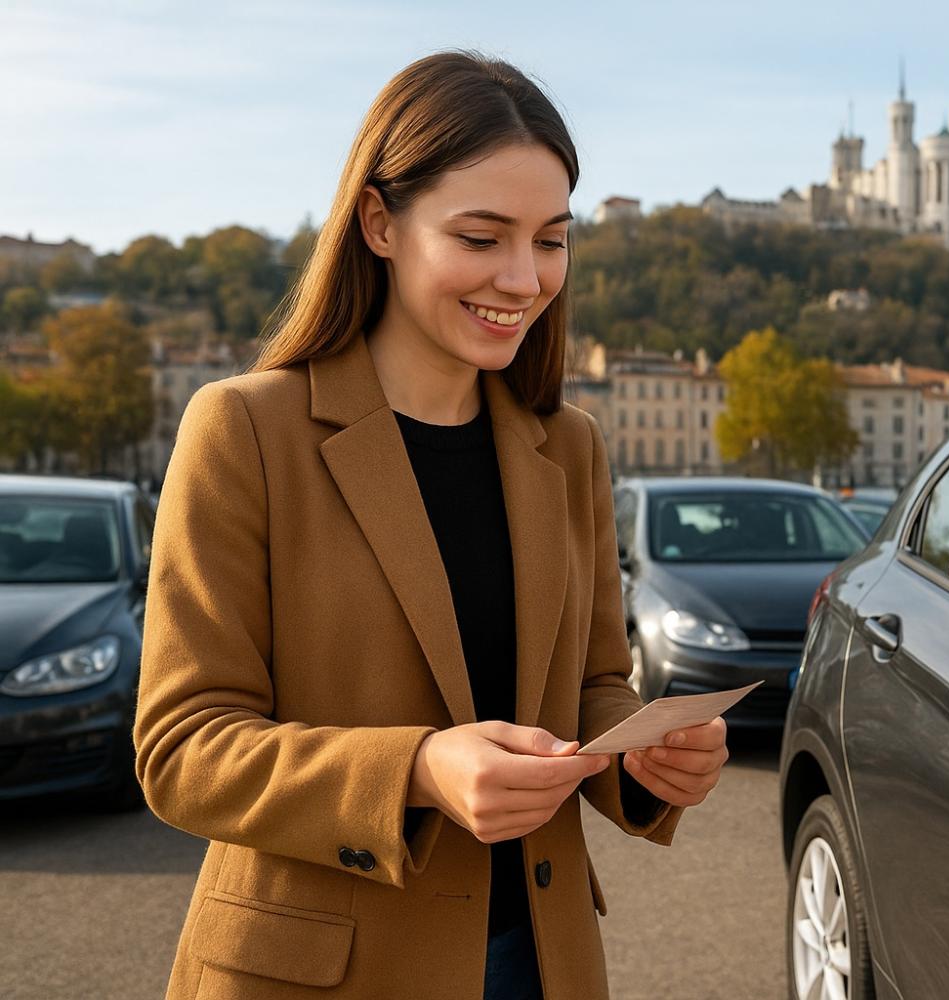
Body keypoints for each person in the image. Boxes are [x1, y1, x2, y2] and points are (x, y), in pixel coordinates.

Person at [133, 49, 729, 1000]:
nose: (527, 278)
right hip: (317, 974)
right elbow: (183, 750)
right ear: (380, 222)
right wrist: (414, 769)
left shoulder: (568, 446)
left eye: (552, 239)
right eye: (483, 237)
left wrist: (650, 758)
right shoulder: (245, 429)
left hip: (541, 958)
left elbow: (594, 690)